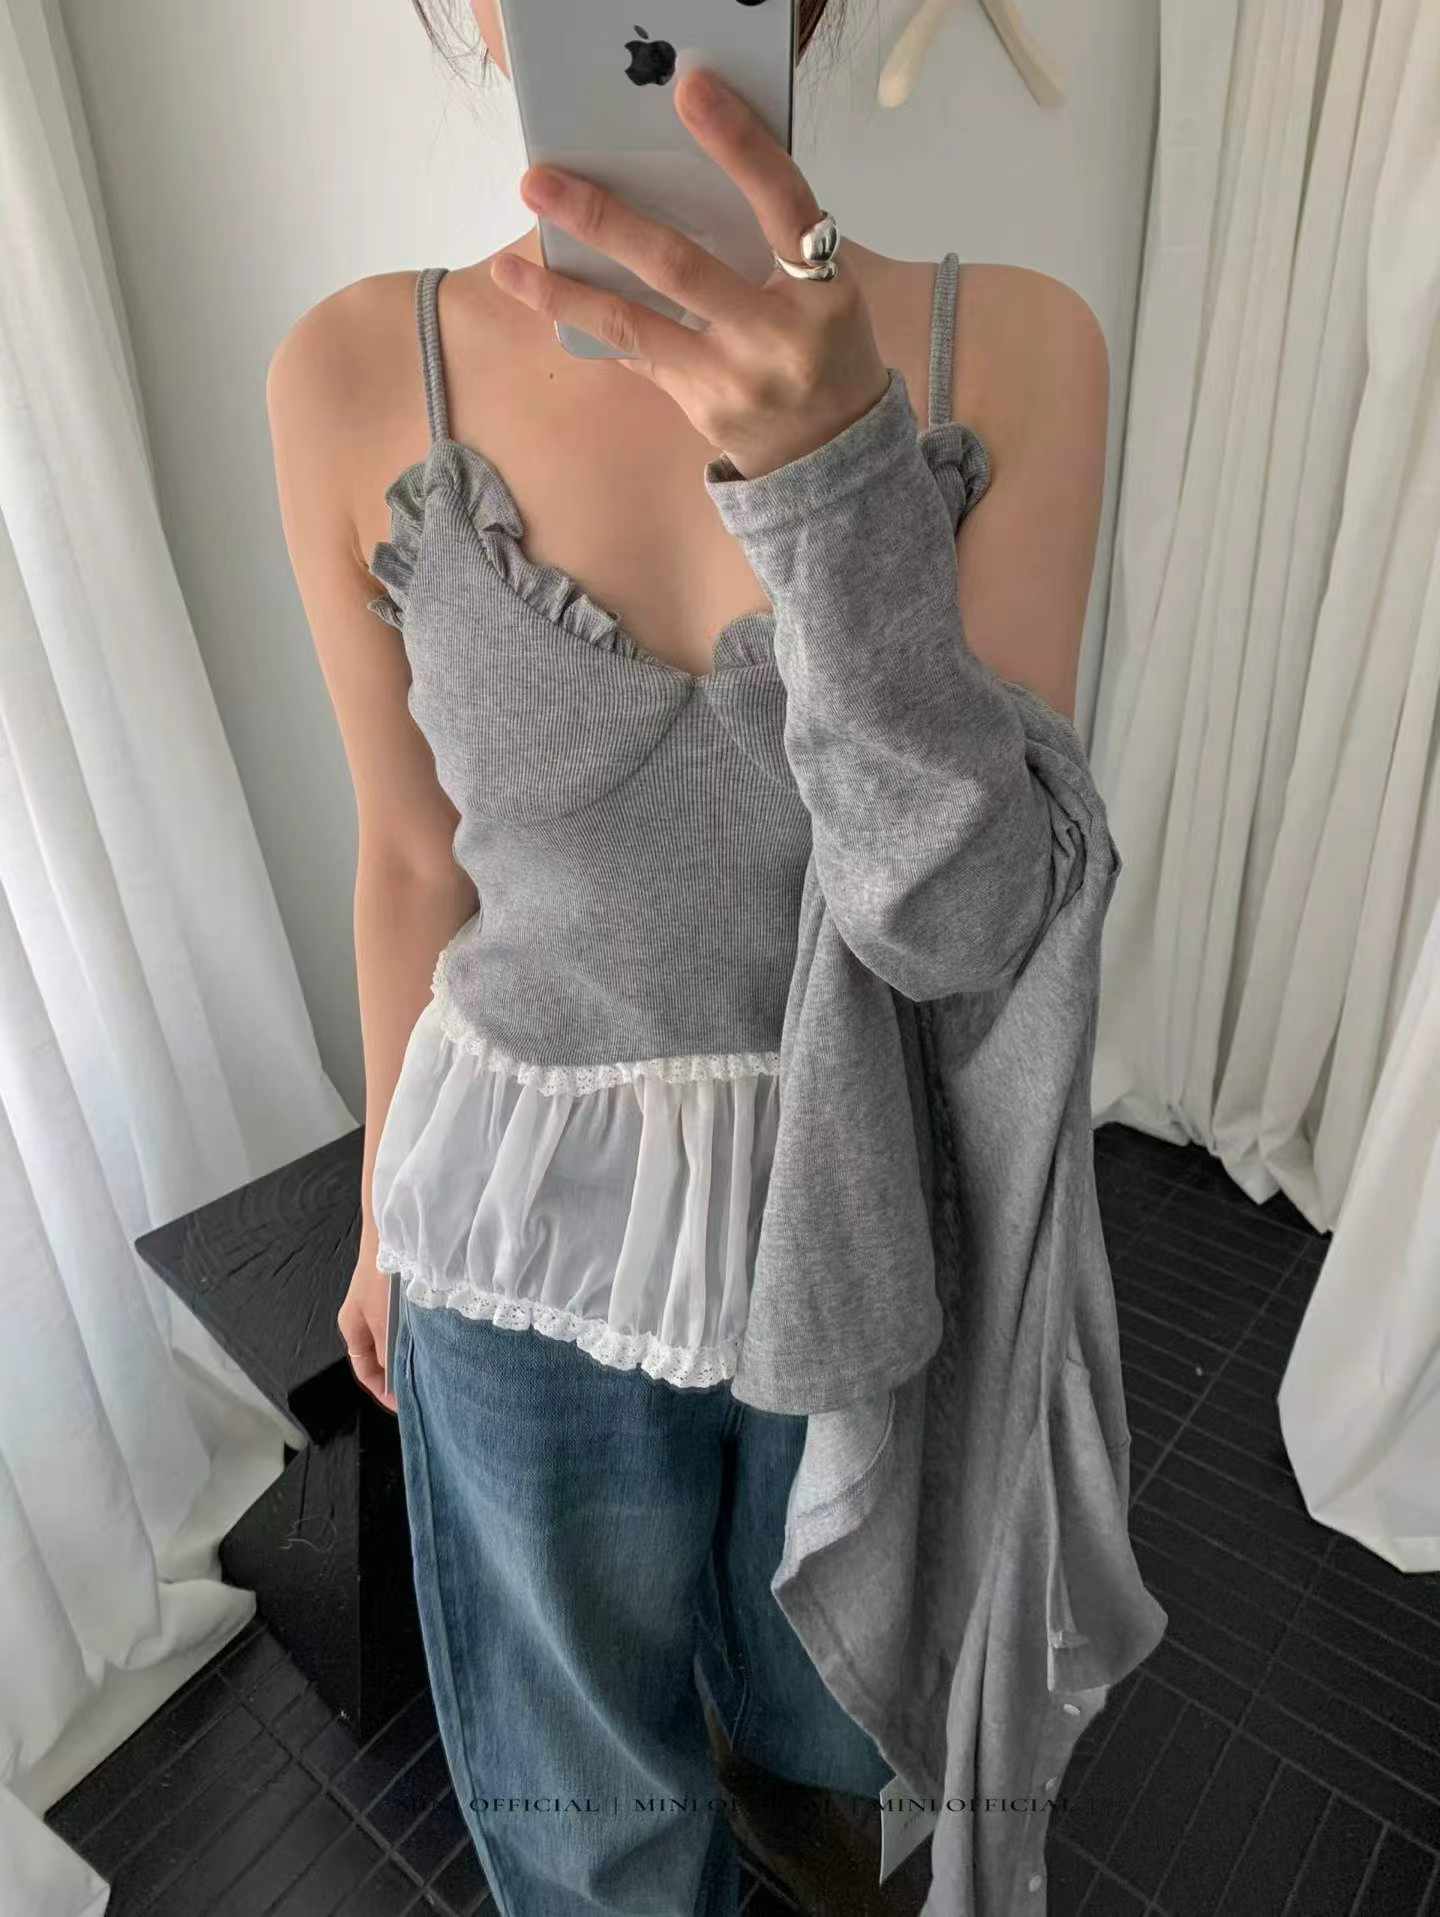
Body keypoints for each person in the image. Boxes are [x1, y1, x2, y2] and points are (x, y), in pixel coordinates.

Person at [265, 2, 1108, 1910]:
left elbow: (975, 929)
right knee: (586, 1821)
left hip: (860, 1213)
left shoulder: (1012, 349)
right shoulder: (354, 372)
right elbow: (408, 858)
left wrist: (840, 494)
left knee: (836, 1770)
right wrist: (387, 1207)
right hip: (513, 1237)